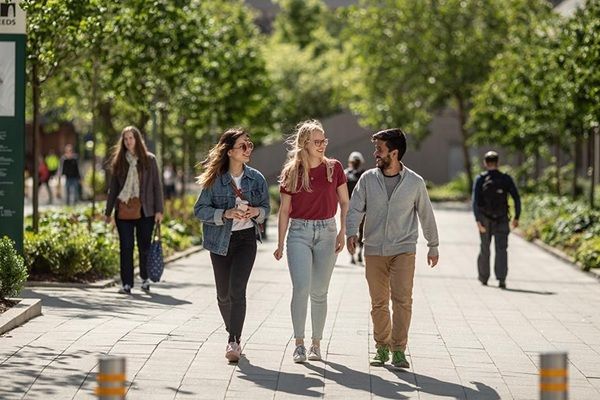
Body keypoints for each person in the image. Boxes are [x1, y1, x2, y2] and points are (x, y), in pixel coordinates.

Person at [346, 128, 439, 369]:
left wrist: (433, 245)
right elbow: (355, 207)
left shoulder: (415, 182)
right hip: (374, 249)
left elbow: (426, 213)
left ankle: (398, 349)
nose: (375, 153)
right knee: (378, 302)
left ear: (394, 153)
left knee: (402, 300)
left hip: (403, 249)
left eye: (380, 149)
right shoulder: (367, 179)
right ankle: (381, 348)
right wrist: (351, 232)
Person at [273, 120, 349, 363]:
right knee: (301, 288)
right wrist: (280, 243)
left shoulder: (334, 168)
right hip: (299, 234)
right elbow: (284, 211)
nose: (322, 145)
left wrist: (342, 232)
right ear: (304, 144)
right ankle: (299, 344)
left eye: (324, 140)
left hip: (327, 232)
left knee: (319, 292)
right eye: (317, 141)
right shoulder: (291, 172)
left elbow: (345, 202)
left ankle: (316, 343)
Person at [194, 128, 270, 363]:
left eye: (250, 145)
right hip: (219, 242)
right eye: (243, 146)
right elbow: (200, 210)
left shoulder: (256, 178)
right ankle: (232, 332)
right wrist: (226, 213)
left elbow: (266, 209)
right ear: (229, 151)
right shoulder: (214, 179)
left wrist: (256, 211)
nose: (248, 149)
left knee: (238, 291)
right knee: (223, 295)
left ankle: (234, 340)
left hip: (246, 240)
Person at [105, 126, 164, 294]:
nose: (128, 141)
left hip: (146, 211)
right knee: (126, 247)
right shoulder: (119, 161)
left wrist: (159, 210)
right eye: (126, 139)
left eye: (131, 138)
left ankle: (145, 279)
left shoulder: (149, 160)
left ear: (137, 139)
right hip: (123, 210)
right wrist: (108, 213)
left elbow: (156, 186)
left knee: (144, 246)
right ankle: (127, 284)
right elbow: (113, 189)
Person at [472, 150, 521, 289]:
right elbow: (516, 197)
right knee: (501, 249)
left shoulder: (480, 179)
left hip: (485, 219)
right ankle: (501, 279)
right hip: (502, 219)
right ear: (498, 163)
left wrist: (477, 220)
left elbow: (475, 201)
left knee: (485, 248)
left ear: (485, 163)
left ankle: (484, 278)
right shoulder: (505, 178)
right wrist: (516, 217)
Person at [344, 151, 365, 264]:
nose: (355, 163)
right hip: (349, 206)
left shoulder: (364, 174)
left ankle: (360, 252)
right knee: (351, 230)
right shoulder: (346, 174)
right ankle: (352, 254)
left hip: (362, 206)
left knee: (362, 230)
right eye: (353, 161)